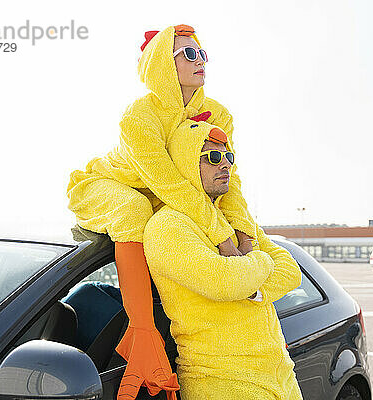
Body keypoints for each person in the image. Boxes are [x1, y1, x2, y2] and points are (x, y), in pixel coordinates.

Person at [65, 25, 257, 400]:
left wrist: (243, 231)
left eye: (202, 54)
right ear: (160, 64)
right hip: (110, 186)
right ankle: (142, 334)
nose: (200, 61)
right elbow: (169, 182)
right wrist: (220, 233)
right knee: (136, 210)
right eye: (188, 54)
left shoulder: (218, 114)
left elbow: (227, 177)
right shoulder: (138, 115)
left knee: (176, 221)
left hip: (164, 196)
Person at [143, 118, 303, 400]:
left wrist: (249, 284)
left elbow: (291, 272)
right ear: (184, 163)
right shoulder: (168, 226)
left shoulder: (234, 219)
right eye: (213, 157)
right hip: (221, 381)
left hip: (280, 375)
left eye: (228, 156)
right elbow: (223, 282)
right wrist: (261, 261)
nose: (226, 165)